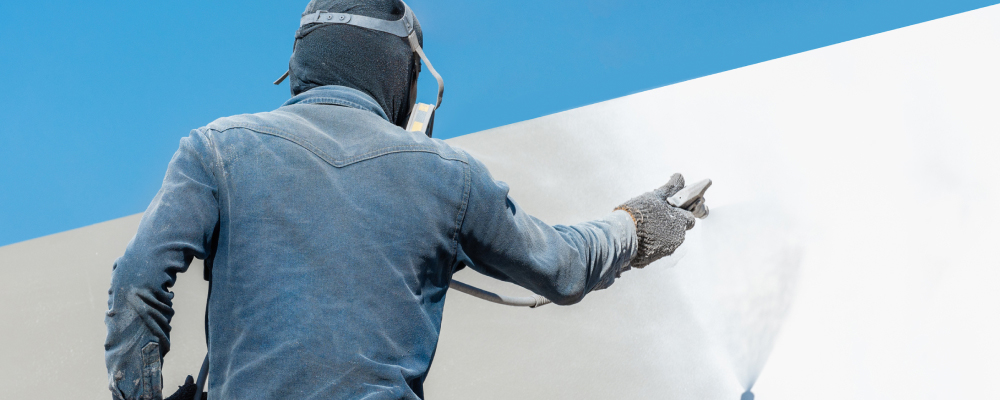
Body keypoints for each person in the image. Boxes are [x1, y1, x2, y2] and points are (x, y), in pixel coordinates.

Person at [103, 1, 697, 399]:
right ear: (402, 78)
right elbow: (564, 267)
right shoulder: (449, 178)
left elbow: (136, 278)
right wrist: (636, 226)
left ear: (302, 67)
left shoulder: (218, 149)